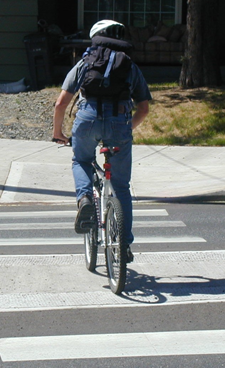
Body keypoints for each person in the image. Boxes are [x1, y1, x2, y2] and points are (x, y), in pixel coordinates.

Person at [53, 19, 152, 263]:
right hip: (119, 122)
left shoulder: (85, 62)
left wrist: (59, 133)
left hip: (87, 119)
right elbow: (144, 109)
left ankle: (85, 199)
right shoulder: (129, 66)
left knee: (82, 160)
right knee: (121, 187)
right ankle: (124, 245)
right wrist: (126, 128)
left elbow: (60, 104)